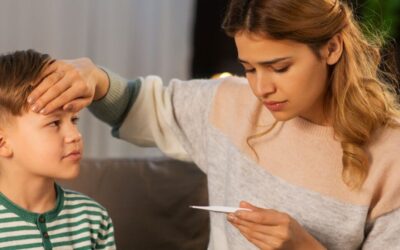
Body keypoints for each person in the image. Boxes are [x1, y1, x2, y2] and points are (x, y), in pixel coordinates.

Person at [27, 0, 400, 249]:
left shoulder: (390, 156)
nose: (262, 87)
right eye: (249, 68)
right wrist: (97, 80)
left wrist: (306, 248)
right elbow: (141, 107)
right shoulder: (233, 104)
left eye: (279, 67)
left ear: (332, 48)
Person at [0, 50, 116, 249]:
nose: (75, 135)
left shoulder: (93, 219)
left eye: (74, 120)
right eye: (54, 123)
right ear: (3, 142)